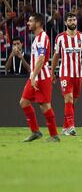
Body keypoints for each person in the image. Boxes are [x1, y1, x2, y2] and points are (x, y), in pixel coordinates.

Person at [50, 12, 82, 136]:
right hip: (65, 73)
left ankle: (65, 127)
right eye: (70, 20)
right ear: (66, 23)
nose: (72, 22)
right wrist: (52, 72)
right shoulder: (60, 38)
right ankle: (71, 127)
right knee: (69, 98)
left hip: (78, 73)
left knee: (73, 102)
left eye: (74, 20)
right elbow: (56, 56)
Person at [19, 13, 59, 142]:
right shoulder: (37, 38)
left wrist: (33, 76)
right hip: (35, 76)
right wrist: (32, 76)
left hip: (41, 78)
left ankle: (54, 136)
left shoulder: (43, 38)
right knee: (24, 102)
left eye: (30, 21)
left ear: (38, 23)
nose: (28, 23)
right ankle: (35, 131)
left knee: (45, 106)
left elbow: (41, 59)